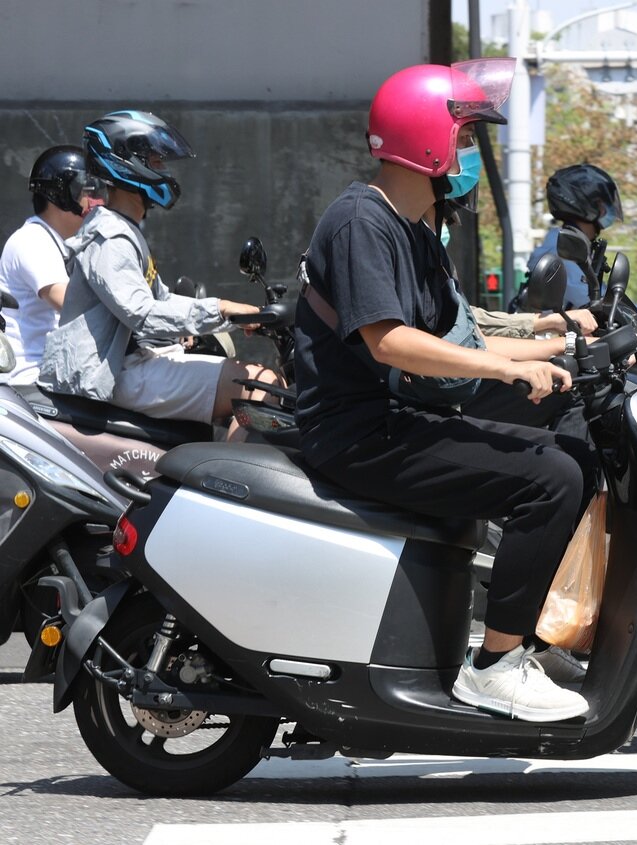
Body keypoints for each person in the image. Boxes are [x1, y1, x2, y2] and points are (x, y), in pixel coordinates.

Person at [293, 60, 597, 723]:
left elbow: (462, 343)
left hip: (401, 414)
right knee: (550, 478)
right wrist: (506, 370)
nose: (464, 157)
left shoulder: (417, 230)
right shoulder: (361, 222)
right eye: (461, 140)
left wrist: (565, 350)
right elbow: (389, 341)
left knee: (577, 441)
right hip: (360, 431)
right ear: (426, 138)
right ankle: (494, 665)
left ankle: (532, 629)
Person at [38, 111, 276, 439]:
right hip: (115, 372)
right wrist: (220, 308)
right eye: (155, 161)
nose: (162, 170)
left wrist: (231, 317)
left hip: (132, 362)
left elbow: (159, 298)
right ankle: (234, 485)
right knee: (259, 386)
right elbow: (142, 313)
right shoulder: (109, 237)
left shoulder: (123, 230)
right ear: (126, 165)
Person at [528, 163, 637, 337]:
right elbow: (593, 301)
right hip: (550, 348)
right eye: (600, 202)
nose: (607, 208)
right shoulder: (563, 247)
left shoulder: (578, 244)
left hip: (565, 342)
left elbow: (601, 296)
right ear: (583, 204)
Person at [0, 146, 102, 383]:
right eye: (87, 191)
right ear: (62, 195)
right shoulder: (33, 240)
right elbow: (70, 303)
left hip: (57, 372)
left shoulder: (66, 244)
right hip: (28, 379)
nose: (95, 201)